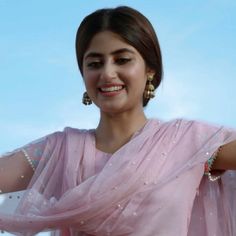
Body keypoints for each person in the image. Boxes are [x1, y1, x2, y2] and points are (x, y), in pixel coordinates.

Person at [0, 6, 236, 236]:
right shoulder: (61, 150)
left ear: (150, 70)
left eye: (122, 60)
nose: (107, 73)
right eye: (94, 63)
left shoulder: (188, 141)